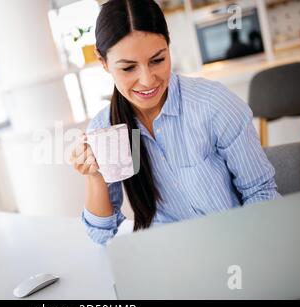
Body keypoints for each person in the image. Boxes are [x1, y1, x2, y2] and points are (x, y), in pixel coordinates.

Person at [69, 0, 280, 245]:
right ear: (103, 62)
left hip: (237, 244)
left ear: (168, 45)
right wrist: (94, 177)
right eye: (128, 68)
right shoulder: (106, 128)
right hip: (168, 259)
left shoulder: (213, 104)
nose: (147, 80)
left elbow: (261, 193)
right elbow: (102, 233)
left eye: (157, 60)